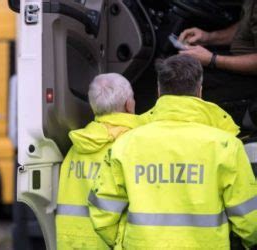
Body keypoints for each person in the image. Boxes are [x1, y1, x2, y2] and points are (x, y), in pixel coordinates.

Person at [89, 55, 257, 249]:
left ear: (159, 92)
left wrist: (124, 242)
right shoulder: (226, 146)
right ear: (200, 91)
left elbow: (102, 213)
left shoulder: (125, 144)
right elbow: (250, 221)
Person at [56, 73, 144, 249]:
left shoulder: (77, 146)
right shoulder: (130, 146)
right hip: (110, 243)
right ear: (129, 105)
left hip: (70, 242)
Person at [178, 0, 257, 112]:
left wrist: (212, 59)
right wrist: (209, 38)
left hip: (250, 78)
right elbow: (245, 25)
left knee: (183, 86)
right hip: (237, 58)